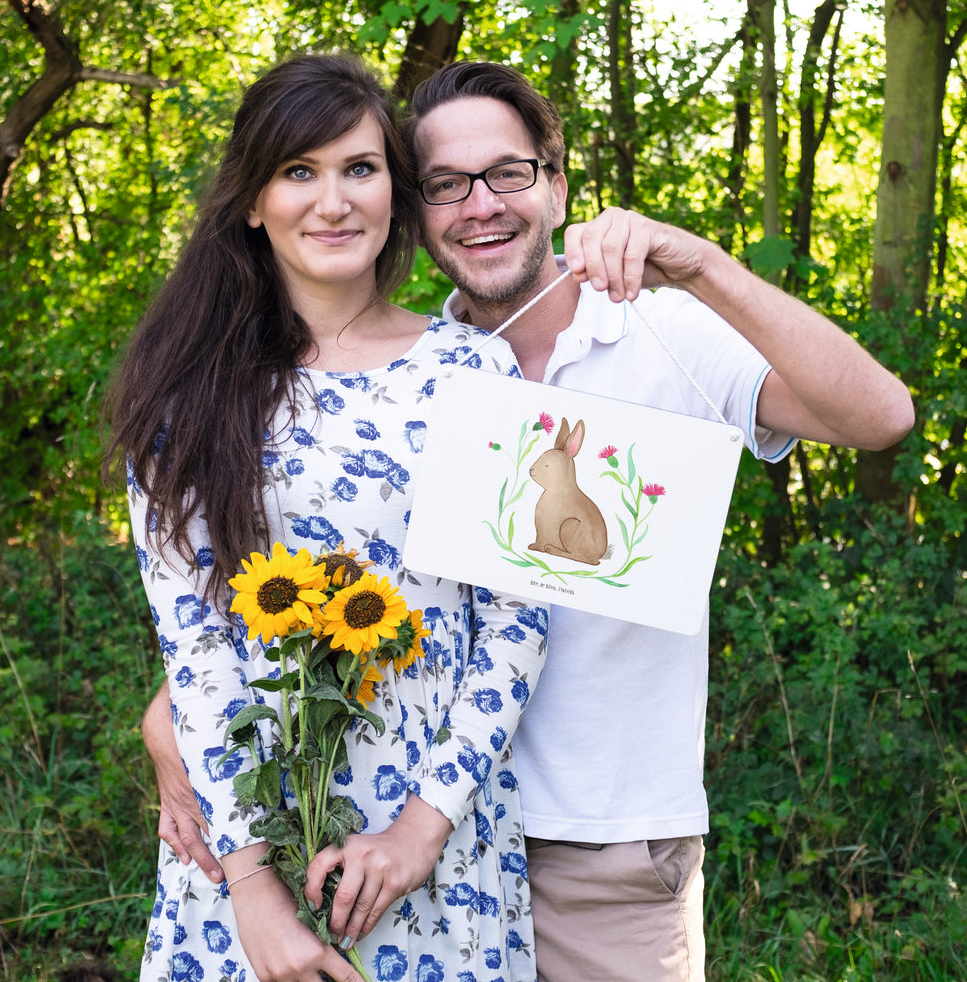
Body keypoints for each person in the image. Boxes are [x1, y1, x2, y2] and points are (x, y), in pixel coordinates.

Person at [145, 60, 915, 982]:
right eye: (445, 184)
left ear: (555, 183)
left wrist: (702, 264)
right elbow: (271, 592)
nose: (480, 205)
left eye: (508, 173)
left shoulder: (652, 331)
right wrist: (178, 730)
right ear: (417, 207)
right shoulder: (397, 374)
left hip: (593, 845)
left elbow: (880, 419)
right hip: (362, 832)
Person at [106, 54, 550, 982]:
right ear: (252, 202)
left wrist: (421, 831)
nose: (333, 201)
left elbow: (517, 619)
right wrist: (254, 895)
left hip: (435, 844)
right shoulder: (187, 395)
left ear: (395, 188)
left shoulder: (475, 373)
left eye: (360, 168)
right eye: (298, 172)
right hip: (244, 844)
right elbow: (196, 648)